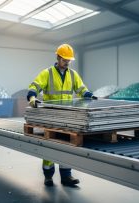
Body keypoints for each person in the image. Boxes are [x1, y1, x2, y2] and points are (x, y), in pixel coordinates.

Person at [27, 44, 97, 187]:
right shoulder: (47, 73)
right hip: (50, 116)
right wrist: (32, 98)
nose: (67, 62)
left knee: (67, 146)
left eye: (69, 60)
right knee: (49, 146)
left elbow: (81, 89)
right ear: (58, 57)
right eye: (65, 59)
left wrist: (89, 95)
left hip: (67, 117)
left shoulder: (73, 74)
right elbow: (34, 86)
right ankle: (48, 176)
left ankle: (66, 176)